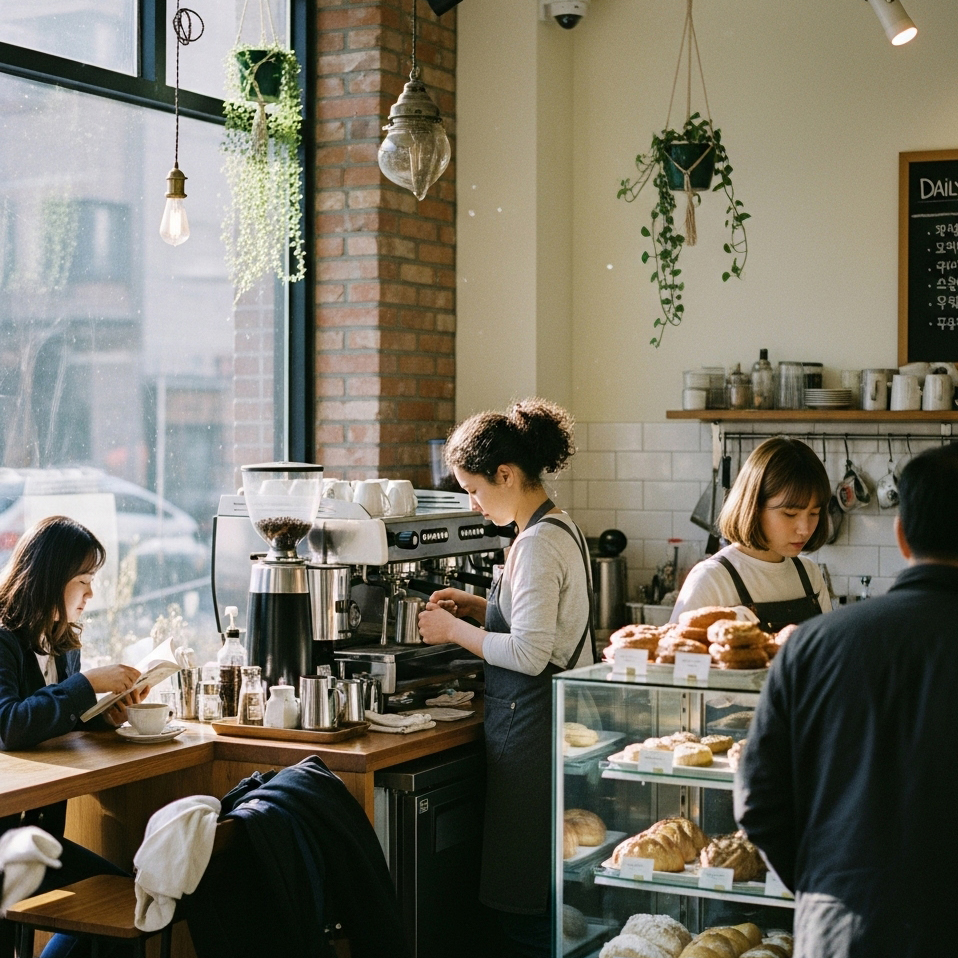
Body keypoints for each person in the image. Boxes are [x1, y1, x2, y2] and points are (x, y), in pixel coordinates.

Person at [734, 442, 958, 958]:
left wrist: (828, 886)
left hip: (842, 931)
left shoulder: (814, 643)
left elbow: (760, 798)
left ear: (902, 537)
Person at [417, 398, 595, 958]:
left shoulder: (538, 543)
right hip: (543, 726)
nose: (472, 503)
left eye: (474, 489)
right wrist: (476, 606)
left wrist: (450, 631)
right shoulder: (553, 527)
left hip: (534, 732)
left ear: (507, 474)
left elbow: (528, 652)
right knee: (542, 890)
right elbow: (537, 621)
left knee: (528, 904)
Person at [0, 515, 145, 958]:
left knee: (126, 905)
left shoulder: (63, 643)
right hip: (7, 838)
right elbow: (10, 724)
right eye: (83, 580)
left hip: (38, 832)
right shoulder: (3, 638)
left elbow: (52, 715)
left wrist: (101, 716)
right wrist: (88, 685)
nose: (91, 593)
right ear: (49, 578)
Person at [670, 436, 832, 631]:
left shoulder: (810, 575)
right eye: (790, 514)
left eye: (814, 513)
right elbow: (676, 657)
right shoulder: (712, 579)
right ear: (754, 507)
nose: (804, 528)